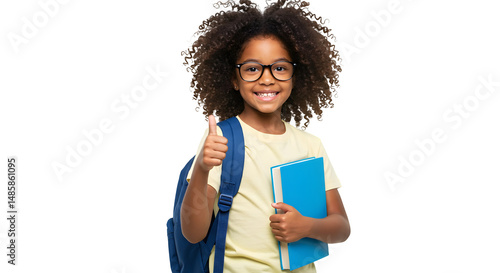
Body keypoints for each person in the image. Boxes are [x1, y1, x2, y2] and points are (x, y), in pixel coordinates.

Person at [180, 0, 350, 272]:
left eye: (280, 68)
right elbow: (193, 233)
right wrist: (201, 167)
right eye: (251, 68)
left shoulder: (310, 146)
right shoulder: (222, 138)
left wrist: (308, 226)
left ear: (296, 76)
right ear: (234, 80)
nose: (267, 79)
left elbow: (341, 227)